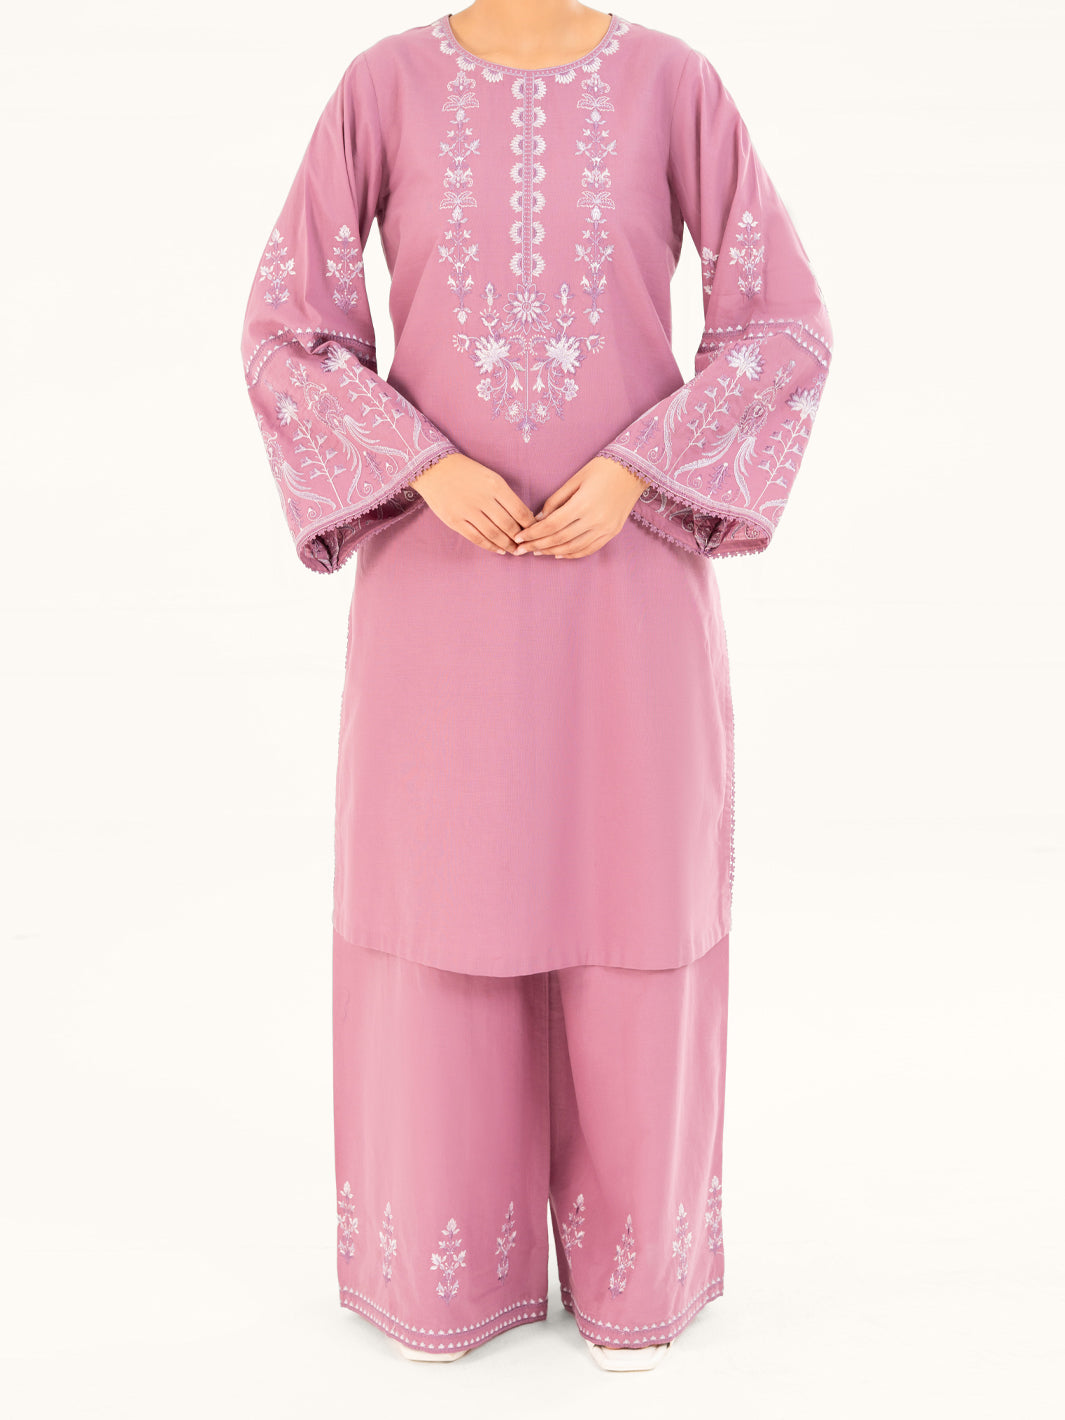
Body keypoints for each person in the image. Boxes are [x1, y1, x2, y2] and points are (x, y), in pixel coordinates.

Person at [239, 2, 832, 1371]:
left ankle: (637, 1277)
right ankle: (444, 1273)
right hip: (436, 582)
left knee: (635, 895)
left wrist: (637, 468)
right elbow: (284, 331)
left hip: (628, 577)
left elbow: (784, 327)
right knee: (437, 898)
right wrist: (418, 462)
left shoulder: (675, 85)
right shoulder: (381, 88)